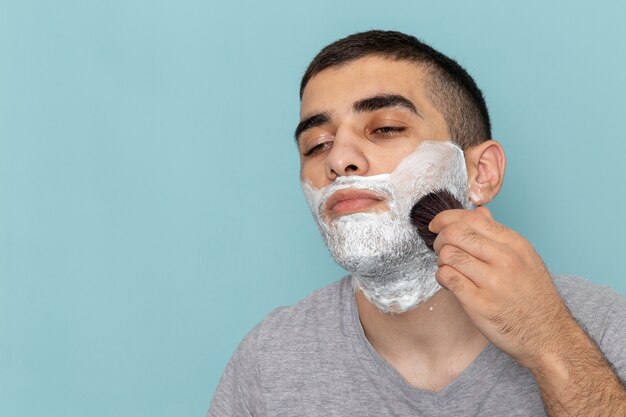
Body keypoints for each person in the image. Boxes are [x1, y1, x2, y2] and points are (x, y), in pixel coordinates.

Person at [208, 30, 626, 416]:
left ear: (480, 174)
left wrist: (550, 344)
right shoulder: (270, 362)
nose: (338, 160)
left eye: (386, 128)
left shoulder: (604, 328)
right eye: (317, 145)